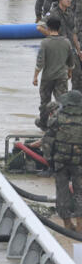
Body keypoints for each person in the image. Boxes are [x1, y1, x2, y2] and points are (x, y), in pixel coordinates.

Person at [49, 90, 82, 231]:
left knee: (62, 192)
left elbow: (48, 141)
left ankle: (67, 224)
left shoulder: (58, 117)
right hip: (79, 163)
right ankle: (80, 225)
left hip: (60, 162)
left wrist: (49, 161)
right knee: (80, 193)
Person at [35, 16, 75, 128]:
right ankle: (62, 124)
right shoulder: (66, 42)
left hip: (47, 77)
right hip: (62, 77)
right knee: (62, 101)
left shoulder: (45, 43)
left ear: (48, 27)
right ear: (59, 28)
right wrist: (70, 72)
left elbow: (40, 62)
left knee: (45, 102)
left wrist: (35, 77)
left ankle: (43, 123)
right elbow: (70, 61)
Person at [40, 0, 81, 91]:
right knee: (61, 79)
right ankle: (62, 101)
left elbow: (74, 33)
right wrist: (53, 37)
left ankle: (76, 100)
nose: (69, 0)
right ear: (60, 0)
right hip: (59, 51)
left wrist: (79, 50)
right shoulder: (52, 13)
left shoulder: (70, 13)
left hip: (71, 49)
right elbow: (40, 26)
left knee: (78, 76)